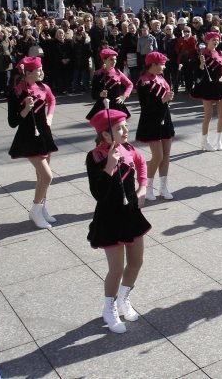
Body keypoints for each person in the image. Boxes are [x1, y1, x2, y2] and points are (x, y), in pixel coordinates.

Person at [85, 109, 151, 334]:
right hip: (109, 217)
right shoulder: (95, 157)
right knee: (116, 268)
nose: (125, 130)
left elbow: (142, 165)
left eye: (125, 126)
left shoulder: (130, 149)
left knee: (136, 262)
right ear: (105, 135)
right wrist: (109, 166)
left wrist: (143, 188)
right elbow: (98, 193)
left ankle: (124, 298)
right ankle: (109, 307)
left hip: (131, 214)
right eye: (119, 128)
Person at [8, 56, 58, 229]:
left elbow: (52, 100)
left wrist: (49, 117)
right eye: (37, 70)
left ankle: (42, 208)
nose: (41, 72)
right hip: (28, 137)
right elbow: (12, 122)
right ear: (27, 73)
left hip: (44, 134)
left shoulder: (43, 87)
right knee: (47, 176)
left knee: (41, 177)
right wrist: (25, 109)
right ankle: (35, 211)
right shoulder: (17, 92)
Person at [135, 51, 175, 201]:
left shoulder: (161, 78)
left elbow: (164, 99)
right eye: (162, 64)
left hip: (165, 118)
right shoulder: (143, 82)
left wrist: (168, 99)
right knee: (157, 156)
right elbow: (146, 106)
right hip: (151, 121)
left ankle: (163, 187)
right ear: (153, 64)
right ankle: (147, 187)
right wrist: (163, 100)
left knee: (166, 156)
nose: (164, 67)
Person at [191, 31, 222, 151]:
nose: (216, 41)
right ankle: (204, 142)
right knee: (208, 116)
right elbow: (197, 73)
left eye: (217, 39)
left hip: (219, 85)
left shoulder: (220, 53)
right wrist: (202, 64)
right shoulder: (202, 54)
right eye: (213, 39)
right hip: (207, 86)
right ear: (207, 41)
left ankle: (218, 141)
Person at [86, 48, 132, 120]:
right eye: (111, 59)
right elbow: (93, 95)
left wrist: (124, 96)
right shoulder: (98, 74)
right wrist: (100, 94)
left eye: (115, 59)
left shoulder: (118, 72)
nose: (114, 61)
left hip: (117, 107)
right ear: (104, 60)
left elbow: (130, 84)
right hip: (102, 107)